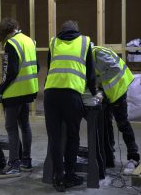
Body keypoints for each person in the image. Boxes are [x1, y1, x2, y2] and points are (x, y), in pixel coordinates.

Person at [44, 20, 100, 192]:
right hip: (72, 96)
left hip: (50, 94)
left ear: (62, 30)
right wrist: (94, 92)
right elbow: (90, 73)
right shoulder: (84, 42)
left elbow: (49, 67)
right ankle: (70, 176)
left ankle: (58, 178)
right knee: (73, 136)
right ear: (77, 30)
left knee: (55, 137)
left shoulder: (54, 42)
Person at [0, 18, 39, 178]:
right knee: (24, 125)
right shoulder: (29, 41)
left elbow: (9, 71)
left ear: (6, 33)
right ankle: (26, 161)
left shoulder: (11, 44)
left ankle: (13, 164)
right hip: (28, 90)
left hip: (14, 93)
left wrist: (1, 89)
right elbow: (37, 66)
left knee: (11, 128)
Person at [92, 45, 139, 175]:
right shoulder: (90, 55)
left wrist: (96, 80)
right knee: (106, 123)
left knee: (122, 123)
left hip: (118, 89)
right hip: (108, 91)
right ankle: (108, 155)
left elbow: (115, 69)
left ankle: (133, 157)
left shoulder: (97, 54)